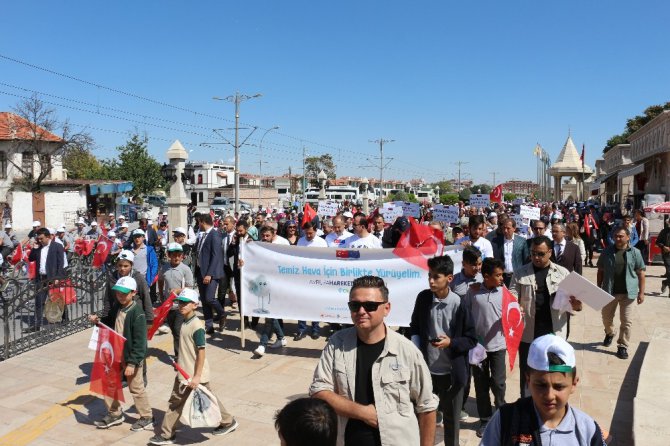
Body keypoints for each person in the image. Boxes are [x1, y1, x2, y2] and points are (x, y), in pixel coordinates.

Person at [310, 276, 439, 446]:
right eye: (355, 305)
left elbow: (427, 407)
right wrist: (363, 412)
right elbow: (319, 391)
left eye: (370, 306)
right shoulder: (336, 344)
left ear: (386, 308)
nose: (361, 311)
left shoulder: (407, 351)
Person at [480, 334, 607, 445]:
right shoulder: (506, 419)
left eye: (559, 387)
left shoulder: (587, 430)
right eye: (541, 385)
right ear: (528, 381)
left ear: (574, 384)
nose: (549, 395)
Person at [149, 288, 238, 445]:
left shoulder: (197, 326)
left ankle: (166, 434)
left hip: (191, 374)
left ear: (195, 305)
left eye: (185, 303)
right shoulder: (185, 321)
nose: (181, 305)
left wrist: (196, 376)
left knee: (175, 403)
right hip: (186, 371)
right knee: (209, 399)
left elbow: (201, 353)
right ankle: (228, 421)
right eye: (180, 303)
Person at [409, 256, 477, 446]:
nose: (431, 280)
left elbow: (471, 339)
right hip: (426, 371)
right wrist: (416, 350)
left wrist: (451, 343)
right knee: (423, 415)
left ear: (449, 278)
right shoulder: (423, 298)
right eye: (429, 276)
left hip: (451, 374)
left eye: (436, 277)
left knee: (451, 419)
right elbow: (414, 326)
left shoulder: (459, 304)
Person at [510, 236, 581, 397]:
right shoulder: (520, 273)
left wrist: (576, 302)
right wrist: (515, 306)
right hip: (528, 332)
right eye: (533, 253)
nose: (536, 257)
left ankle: (550, 400)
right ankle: (527, 401)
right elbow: (512, 295)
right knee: (528, 371)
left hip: (554, 332)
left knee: (554, 370)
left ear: (549, 252)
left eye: (541, 254)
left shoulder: (563, 273)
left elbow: (577, 306)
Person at [88, 276, 154, 431]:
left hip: (131, 357)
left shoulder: (137, 314)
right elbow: (110, 323)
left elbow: (140, 343)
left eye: (124, 293)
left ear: (133, 293)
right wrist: (98, 321)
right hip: (115, 355)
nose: (121, 296)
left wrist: (132, 363)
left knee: (136, 388)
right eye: (118, 293)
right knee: (109, 384)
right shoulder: (118, 306)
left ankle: (147, 416)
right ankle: (114, 413)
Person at [463, 258, 507, 437]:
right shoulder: (472, 292)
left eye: (502, 274)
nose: (501, 278)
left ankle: (502, 415)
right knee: (480, 385)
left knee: (498, 382)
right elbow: (464, 314)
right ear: (486, 277)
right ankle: (485, 419)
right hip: (478, 347)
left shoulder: (504, 291)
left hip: (498, 345)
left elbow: (512, 312)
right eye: (498, 275)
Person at [598, 226, 646, 360]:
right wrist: (598, 288)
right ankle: (610, 332)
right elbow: (600, 270)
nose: (618, 239)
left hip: (628, 293)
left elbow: (641, 273)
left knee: (627, 322)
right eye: (616, 236)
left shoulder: (635, 252)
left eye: (621, 236)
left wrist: (641, 293)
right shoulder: (606, 251)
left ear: (628, 237)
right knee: (606, 318)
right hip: (609, 291)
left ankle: (623, 346)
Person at [25, 227, 65, 332]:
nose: (40, 240)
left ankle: (64, 319)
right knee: (39, 301)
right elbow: (31, 259)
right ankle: (37, 325)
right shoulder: (39, 248)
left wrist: (57, 278)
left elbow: (61, 264)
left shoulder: (57, 246)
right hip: (41, 278)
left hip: (52, 278)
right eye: (39, 239)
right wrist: (34, 248)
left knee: (57, 300)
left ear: (48, 237)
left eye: (42, 238)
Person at [158, 243, 195, 359]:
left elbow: (190, 287)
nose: (176, 257)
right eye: (174, 255)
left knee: (178, 330)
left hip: (181, 305)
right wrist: (162, 296)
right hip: (169, 306)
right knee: (174, 331)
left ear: (182, 256)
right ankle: (180, 352)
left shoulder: (185, 269)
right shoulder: (164, 268)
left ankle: (180, 357)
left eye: (179, 255)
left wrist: (178, 291)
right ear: (168, 255)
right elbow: (160, 280)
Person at [194, 213, 226, 334]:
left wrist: (209, 274)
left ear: (202, 222)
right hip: (200, 271)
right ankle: (209, 325)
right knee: (204, 299)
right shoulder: (202, 235)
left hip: (211, 273)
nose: (198, 225)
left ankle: (222, 313)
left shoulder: (215, 235)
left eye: (198, 222)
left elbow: (215, 256)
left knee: (209, 298)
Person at [295, 221, 326, 340]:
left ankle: (315, 329)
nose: (308, 235)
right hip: (303, 277)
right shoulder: (301, 241)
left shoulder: (321, 243)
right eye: (306, 233)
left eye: (310, 233)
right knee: (302, 303)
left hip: (317, 277)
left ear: (316, 231)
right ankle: (301, 329)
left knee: (315, 303)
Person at [490, 218, 529, 287]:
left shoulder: (521, 241)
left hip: (517, 277)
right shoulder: (496, 242)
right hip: (501, 277)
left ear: (514, 228)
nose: (505, 230)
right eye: (504, 228)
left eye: (508, 228)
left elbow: (525, 260)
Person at [129, 229, 159, 304]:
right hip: (132, 280)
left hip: (144, 280)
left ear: (143, 238)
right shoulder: (130, 251)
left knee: (145, 301)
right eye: (135, 237)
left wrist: (151, 279)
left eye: (139, 237)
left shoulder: (149, 249)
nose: (137, 239)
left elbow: (154, 264)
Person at [657, 218, 670, 297]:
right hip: (667, 255)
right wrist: (663, 246)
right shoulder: (664, 231)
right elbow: (658, 242)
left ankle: (665, 282)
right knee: (669, 272)